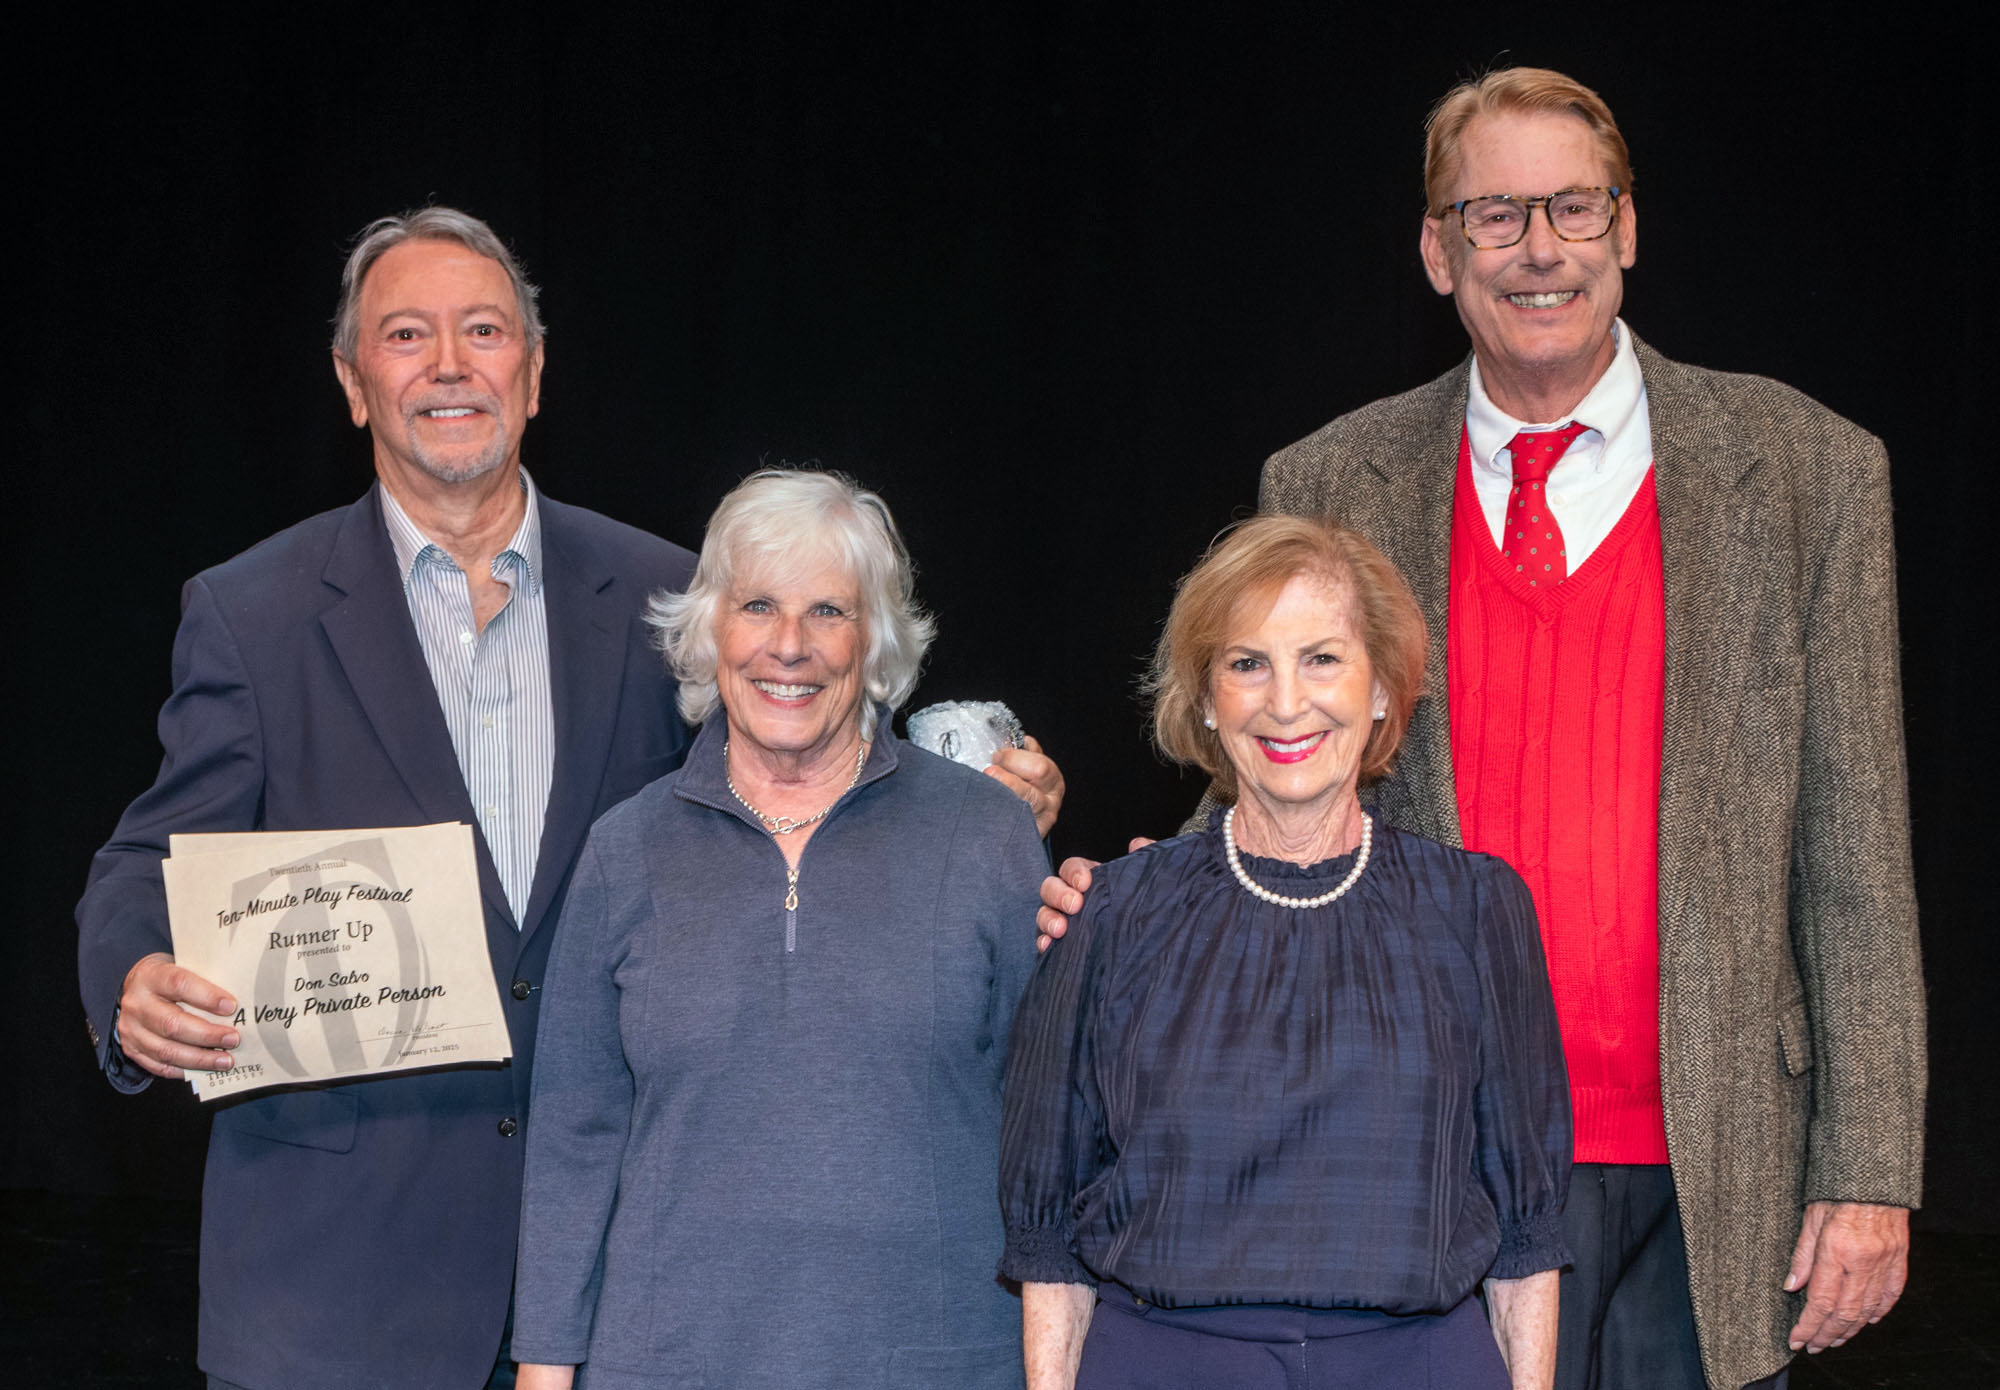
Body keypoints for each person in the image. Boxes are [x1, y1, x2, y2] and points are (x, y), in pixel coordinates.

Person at [1039, 69, 1925, 1390]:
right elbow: (1283, 750)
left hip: (1720, 1150)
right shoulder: (1333, 477)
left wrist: (1868, 1172)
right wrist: (1135, 903)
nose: (1540, 247)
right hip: (1427, 1148)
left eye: (1573, 205)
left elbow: (1860, 841)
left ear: (1627, 227)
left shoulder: (1806, 471)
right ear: (1436, 250)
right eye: (1495, 213)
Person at [73, 210, 1065, 1390]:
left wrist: (984, 796)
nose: (449, 363)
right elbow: (151, 854)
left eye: (483, 330)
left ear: (533, 373)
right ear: (352, 383)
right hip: (345, 1279)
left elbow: (804, 742)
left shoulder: (661, 591)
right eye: (405, 335)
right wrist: (135, 976)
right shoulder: (254, 611)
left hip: (622, 1279)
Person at [1002, 514, 1571, 1390]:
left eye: (1322, 658)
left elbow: (1528, 1238)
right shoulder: (1111, 913)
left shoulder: (1479, 910)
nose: (1285, 701)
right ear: (1204, 700)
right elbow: (1048, 1240)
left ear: (1382, 688)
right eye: (1247, 664)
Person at [510, 470, 1045, 1390]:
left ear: (874, 642)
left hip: (935, 1359)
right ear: (710, 627)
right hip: (668, 1363)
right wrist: (545, 1373)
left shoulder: (985, 838)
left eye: (828, 611)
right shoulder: (624, 851)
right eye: (758, 605)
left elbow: (1051, 1133)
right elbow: (572, 1142)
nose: (788, 647)